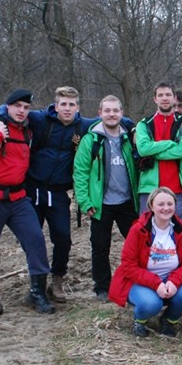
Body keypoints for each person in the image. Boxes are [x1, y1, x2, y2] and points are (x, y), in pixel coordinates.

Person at [0, 89, 54, 316]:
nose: (21, 111)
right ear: (7, 106)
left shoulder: (28, 131)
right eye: (17, 106)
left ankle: (37, 292)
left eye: (26, 108)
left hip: (18, 198)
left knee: (35, 240)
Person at [25, 86, 95, 303]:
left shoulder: (84, 126)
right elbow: (4, 110)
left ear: (78, 107)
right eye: (63, 104)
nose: (67, 108)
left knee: (63, 237)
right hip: (33, 188)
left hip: (59, 192)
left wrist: (131, 128)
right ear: (56, 106)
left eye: (71, 104)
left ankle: (57, 278)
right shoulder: (40, 120)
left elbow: (114, 119)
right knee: (33, 238)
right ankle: (36, 282)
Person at [73, 95, 140, 301]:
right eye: (107, 111)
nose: (112, 114)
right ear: (99, 113)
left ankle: (135, 282)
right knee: (100, 247)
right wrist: (84, 201)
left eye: (116, 111)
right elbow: (80, 172)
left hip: (128, 202)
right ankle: (102, 287)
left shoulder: (130, 138)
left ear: (122, 113)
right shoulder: (90, 140)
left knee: (135, 245)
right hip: (100, 204)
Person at [109, 187, 182, 337]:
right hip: (142, 281)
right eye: (161, 204)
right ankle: (140, 320)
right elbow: (128, 265)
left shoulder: (181, 230)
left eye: (170, 204)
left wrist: (174, 281)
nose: (166, 208)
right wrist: (156, 283)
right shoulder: (138, 229)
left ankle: (169, 320)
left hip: (170, 279)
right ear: (151, 206)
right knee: (151, 303)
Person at [135, 82, 182, 226]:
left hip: (178, 189)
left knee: (180, 232)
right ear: (154, 99)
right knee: (146, 231)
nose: (164, 98)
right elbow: (143, 149)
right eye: (160, 95)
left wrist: (154, 151)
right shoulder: (144, 125)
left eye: (168, 94)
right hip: (149, 189)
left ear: (174, 98)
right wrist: (169, 143)